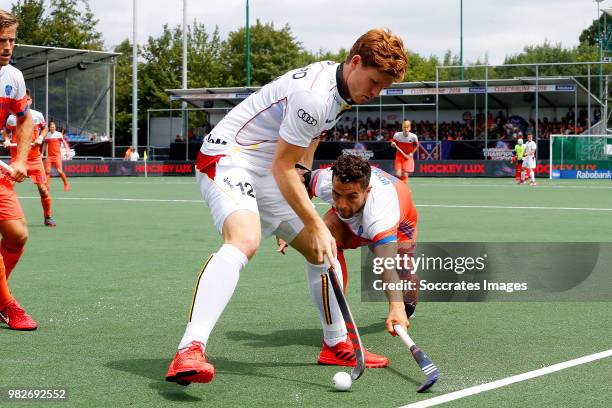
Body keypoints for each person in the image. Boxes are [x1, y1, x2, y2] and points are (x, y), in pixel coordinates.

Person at [165, 28, 409, 386]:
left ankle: (336, 343)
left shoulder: (340, 91)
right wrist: (312, 220)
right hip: (229, 156)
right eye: (373, 82)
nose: (375, 93)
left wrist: (299, 212)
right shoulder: (314, 96)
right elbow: (283, 167)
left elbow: (301, 155)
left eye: (382, 88)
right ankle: (189, 349)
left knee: (319, 250)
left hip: (268, 167)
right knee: (245, 239)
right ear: (355, 62)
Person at [282, 154, 419, 321]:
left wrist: (396, 307)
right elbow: (299, 180)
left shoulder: (381, 212)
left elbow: (386, 266)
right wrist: (290, 222)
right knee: (323, 235)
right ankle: (340, 315)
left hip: (401, 223)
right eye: (336, 195)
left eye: (351, 197)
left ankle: (409, 300)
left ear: (367, 190)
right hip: (355, 218)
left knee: (403, 275)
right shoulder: (325, 180)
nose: (341, 205)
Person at [0, 9, 37, 330]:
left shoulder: (13, 76)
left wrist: (21, 159)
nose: (7, 47)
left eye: (12, 40)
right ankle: (8, 305)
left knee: (18, 234)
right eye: (1, 41)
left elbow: (24, 118)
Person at [4, 89, 56, 226]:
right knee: (5, 187)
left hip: (35, 159)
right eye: (23, 99)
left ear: (31, 101)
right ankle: (4, 218)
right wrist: (6, 140)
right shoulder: (12, 117)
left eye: (27, 99)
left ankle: (48, 216)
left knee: (43, 190)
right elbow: (6, 131)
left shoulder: (38, 116)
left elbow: (44, 129)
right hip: (17, 159)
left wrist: (40, 137)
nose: (25, 101)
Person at [42, 121, 70, 191]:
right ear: (49, 128)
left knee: (60, 171)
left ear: (55, 127)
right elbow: (45, 144)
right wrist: (42, 153)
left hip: (57, 156)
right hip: (50, 156)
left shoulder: (59, 134)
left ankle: (66, 184)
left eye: (53, 127)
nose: (52, 128)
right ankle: (47, 186)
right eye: (51, 127)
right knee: (47, 171)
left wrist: (67, 151)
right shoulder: (47, 135)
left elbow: (64, 143)